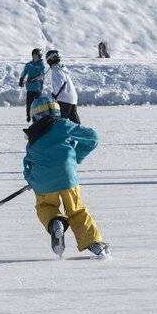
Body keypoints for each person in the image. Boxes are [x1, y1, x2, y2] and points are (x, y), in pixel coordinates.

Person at [23, 96, 109, 258]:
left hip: (42, 181)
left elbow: (28, 163)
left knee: (45, 206)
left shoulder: (32, 137)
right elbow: (93, 137)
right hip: (67, 177)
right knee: (76, 210)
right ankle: (94, 243)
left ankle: (55, 223)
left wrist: (31, 180)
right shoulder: (63, 125)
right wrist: (75, 158)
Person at [45, 49, 80, 124]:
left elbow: (59, 84)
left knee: (60, 123)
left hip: (64, 99)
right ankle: (81, 131)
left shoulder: (56, 70)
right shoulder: (62, 69)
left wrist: (54, 95)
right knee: (75, 122)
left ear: (51, 59)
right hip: (72, 98)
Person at [18, 48, 46, 122]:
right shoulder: (29, 64)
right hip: (30, 88)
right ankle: (28, 115)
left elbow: (42, 76)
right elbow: (24, 72)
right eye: (34, 55)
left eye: (36, 56)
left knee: (36, 105)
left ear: (40, 56)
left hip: (37, 89)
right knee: (29, 104)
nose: (35, 57)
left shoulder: (41, 65)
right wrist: (21, 79)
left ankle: (36, 119)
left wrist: (35, 79)